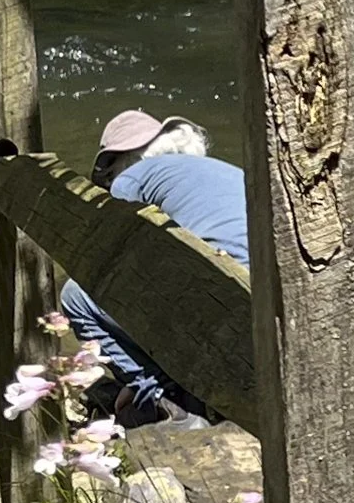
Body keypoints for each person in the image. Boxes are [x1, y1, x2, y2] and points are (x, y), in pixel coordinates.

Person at [60, 109, 248, 426]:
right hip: (260, 300)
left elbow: (110, 260)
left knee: (77, 295)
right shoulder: (220, 170)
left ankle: (161, 397)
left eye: (108, 178)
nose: (109, 185)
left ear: (119, 163)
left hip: (218, 305)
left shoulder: (131, 179)